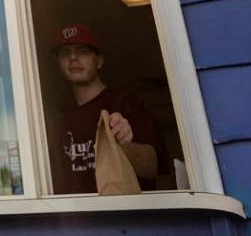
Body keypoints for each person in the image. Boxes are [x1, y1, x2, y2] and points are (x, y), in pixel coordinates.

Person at [50, 24, 170, 194]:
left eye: (82, 51)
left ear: (99, 61)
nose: (73, 58)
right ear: (58, 64)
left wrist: (124, 145)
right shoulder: (60, 120)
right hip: (79, 217)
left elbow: (152, 167)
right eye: (65, 53)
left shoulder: (126, 104)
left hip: (127, 215)